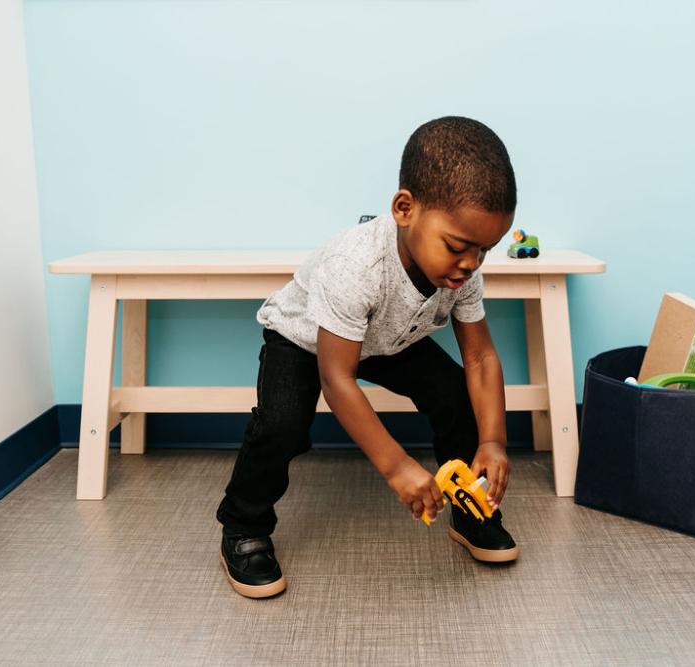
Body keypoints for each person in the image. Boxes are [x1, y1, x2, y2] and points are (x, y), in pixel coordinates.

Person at [216, 116, 518, 598]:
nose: (470, 263)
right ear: (405, 209)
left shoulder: (462, 271)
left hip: (387, 339)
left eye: (485, 250)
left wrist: (494, 441)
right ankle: (243, 527)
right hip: (305, 340)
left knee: (455, 393)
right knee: (281, 426)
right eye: (458, 246)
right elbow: (338, 379)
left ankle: (470, 511)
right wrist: (398, 467)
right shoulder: (355, 267)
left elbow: (480, 358)